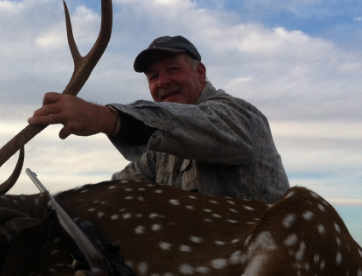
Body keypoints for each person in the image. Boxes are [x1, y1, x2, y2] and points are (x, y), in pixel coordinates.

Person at [28, 35, 289, 203]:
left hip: (272, 272)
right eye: (153, 76)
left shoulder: (240, 117)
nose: (163, 82)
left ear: (200, 73)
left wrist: (105, 117)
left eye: (173, 69)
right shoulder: (161, 153)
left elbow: (191, 124)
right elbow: (118, 189)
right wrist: (58, 205)